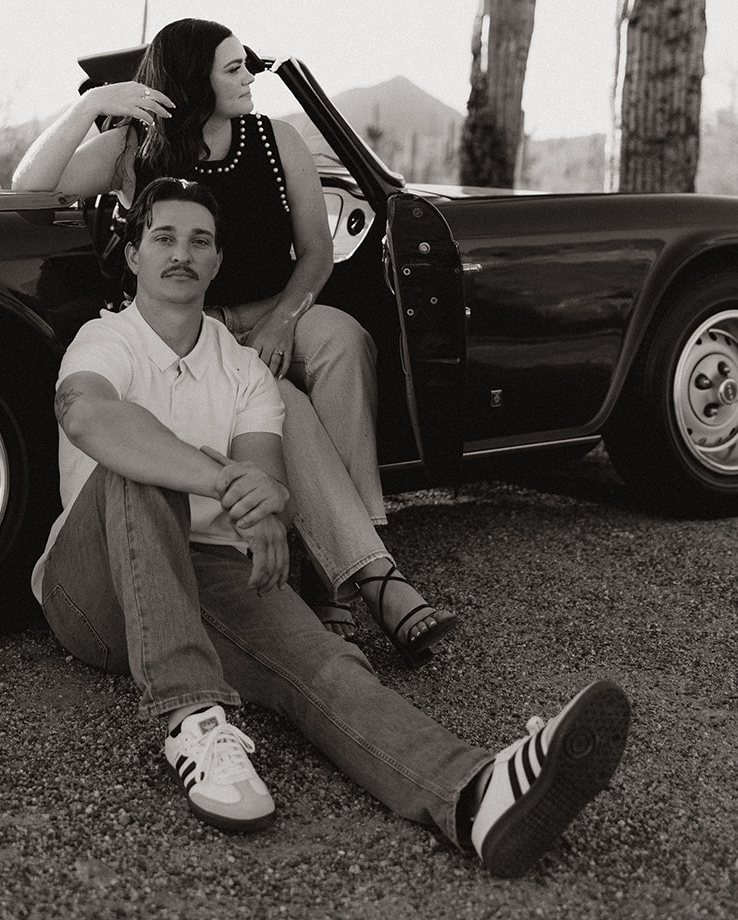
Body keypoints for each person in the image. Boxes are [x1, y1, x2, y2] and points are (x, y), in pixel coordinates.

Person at [32, 177, 631, 872]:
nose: (181, 253)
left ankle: (474, 797)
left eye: (199, 241)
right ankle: (191, 718)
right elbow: (89, 416)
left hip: (211, 576)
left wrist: (264, 500)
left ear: (218, 261)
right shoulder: (105, 340)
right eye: (163, 237)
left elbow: (268, 480)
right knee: (138, 470)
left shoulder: (244, 371)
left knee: (327, 663)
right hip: (95, 587)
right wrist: (218, 477)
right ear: (133, 255)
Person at [14, 16, 452, 660]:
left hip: (282, 305)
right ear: (196, 79)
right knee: (280, 400)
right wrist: (94, 104)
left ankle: (349, 565)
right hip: (196, 322)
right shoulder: (137, 148)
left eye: (246, 65)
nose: (250, 77)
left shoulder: (276, 140)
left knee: (346, 342)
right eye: (233, 68)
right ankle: (365, 576)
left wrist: (283, 319)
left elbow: (318, 254)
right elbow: (30, 184)